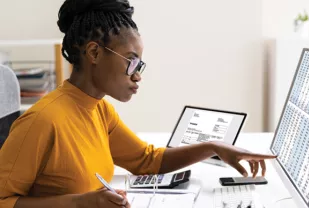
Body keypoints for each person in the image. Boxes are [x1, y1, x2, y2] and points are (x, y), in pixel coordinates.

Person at [0, 0, 277, 207]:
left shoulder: (100, 110)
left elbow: (147, 161)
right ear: (94, 52)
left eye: (140, 64)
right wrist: (80, 203)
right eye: (131, 61)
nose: (137, 75)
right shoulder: (42, 121)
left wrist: (214, 148)